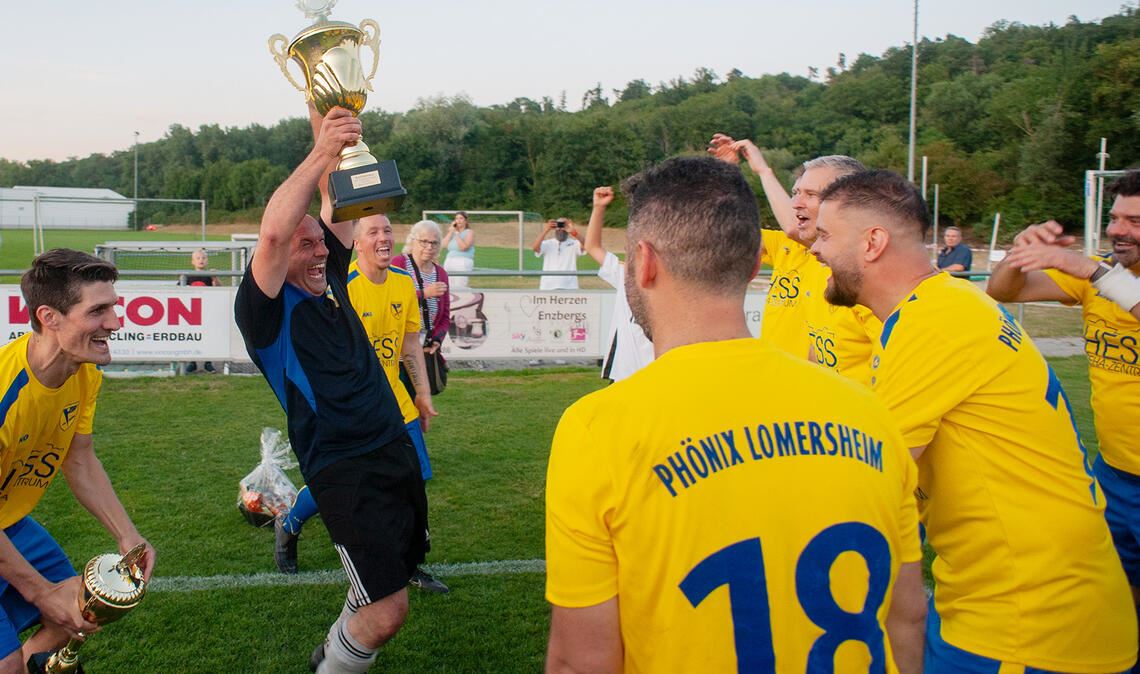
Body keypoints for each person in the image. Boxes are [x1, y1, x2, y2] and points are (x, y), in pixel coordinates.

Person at [545, 157, 927, 673]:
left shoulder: (597, 429)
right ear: (752, 266)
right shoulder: (871, 414)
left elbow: (580, 662)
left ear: (644, 262)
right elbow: (906, 619)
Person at [810, 169, 1137, 672]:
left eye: (825, 235)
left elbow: (869, 484)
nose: (814, 249)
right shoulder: (946, 303)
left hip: (1025, 622)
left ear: (872, 243)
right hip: (1018, 599)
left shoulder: (932, 324)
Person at [234, 105, 429, 672]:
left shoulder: (331, 275)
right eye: (307, 245)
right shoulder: (266, 311)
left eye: (321, 241)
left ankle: (336, 648)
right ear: (276, 259)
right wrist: (321, 148)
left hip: (391, 442)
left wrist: (328, 115)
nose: (320, 250)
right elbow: (276, 231)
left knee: (390, 581)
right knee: (388, 611)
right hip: (343, 465)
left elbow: (336, 202)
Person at [986, 169, 1140, 623]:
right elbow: (1002, 291)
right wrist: (1018, 256)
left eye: (1134, 221)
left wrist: (1094, 272)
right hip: (1115, 471)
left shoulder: (1101, 274)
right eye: (1115, 218)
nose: (1118, 230)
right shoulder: (1104, 273)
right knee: (1117, 591)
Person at [274, 213, 449, 594]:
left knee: (412, 481)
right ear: (356, 242)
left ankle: (409, 563)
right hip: (355, 411)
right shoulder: (342, 288)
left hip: (397, 406)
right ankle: (289, 524)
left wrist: (421, 393)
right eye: (373, 231)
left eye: (388, 230)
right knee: (340, 485)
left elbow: (409, 343)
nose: (383, 237)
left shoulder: (403, 283)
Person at [0, 249, 155, 674]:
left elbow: (79, 457)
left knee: (74, 613)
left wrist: (127, 535)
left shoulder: (83, 373)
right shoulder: (5, 393)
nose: (115, 323)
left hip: (10, 522)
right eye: (98, 311)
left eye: (113, 308)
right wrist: (38, 591)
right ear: (49, 317)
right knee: (8, 662)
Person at [709, 133, 878, 384]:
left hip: (840, 400)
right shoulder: (786, 247)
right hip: (782, 388)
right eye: (795, 192)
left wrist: (764, 171)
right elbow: (718, 227)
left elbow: (791, 227)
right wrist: (727, 175)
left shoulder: (865, 273)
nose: (796, 203)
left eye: (810, 194)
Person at [581, 186, 653, 381]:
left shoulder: (672, 284)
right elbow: (592, 246)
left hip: (655, 378)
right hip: (623, 376)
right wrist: (598, 208)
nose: (627, 255)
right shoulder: (624, 275)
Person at [393, 220, 452, 371]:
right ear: (413, 241)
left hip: (424, 351)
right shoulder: (398, 264)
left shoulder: (441, 274)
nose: (429, 247)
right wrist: (424, 294)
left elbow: (445, 315)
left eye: (434, 243)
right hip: (397, 352)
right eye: (424, 242)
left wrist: (437, 339)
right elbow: (391, 301)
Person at [182, 248, 218, 374]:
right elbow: (179, 290)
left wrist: (215, 278)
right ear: (193, 261)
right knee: (192, 336)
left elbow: (218, 289)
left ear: (207, 261)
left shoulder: (209, 276)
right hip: (192, 312)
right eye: (198, 258)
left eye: (203, 258)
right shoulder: (188, 276)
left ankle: (208, 362)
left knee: (207, 335)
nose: (201, 260)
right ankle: (192, 363)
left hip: (206, 310)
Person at [532, 218, 585, 290]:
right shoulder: (548, 243)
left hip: (570, 287)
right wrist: (546, 230)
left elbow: (586, 245)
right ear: (555, 226)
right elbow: (535, 248)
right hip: (547, 286)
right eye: (559, 225)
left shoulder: (574, 243)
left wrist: (574, 232)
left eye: (563, 225)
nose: (561, 228)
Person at [441, 211, 475, 290]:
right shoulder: (452, 233)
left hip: (462, 261)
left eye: (461, 218)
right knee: (449, 286)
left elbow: (463, 247)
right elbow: (443, 245)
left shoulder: (469, 232)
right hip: (449, 260)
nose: (458, 220)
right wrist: (451, 232)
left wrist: (456, 233)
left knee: (460, 286)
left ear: (466, 221)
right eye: (456, 218)